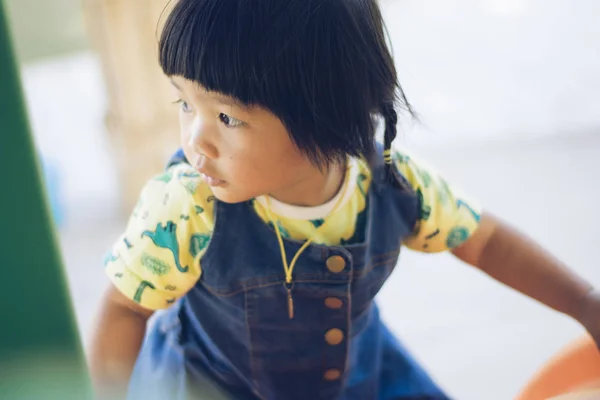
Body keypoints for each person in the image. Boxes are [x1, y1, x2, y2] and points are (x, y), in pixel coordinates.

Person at [89, 0, 600, 398]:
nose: (194, 140)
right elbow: (124, 310)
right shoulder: (184, 205)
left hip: (356, 379)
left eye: (226, 117)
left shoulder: (395, 184)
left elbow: (484, 240)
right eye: (184, 102)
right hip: (214, 388)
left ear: (325, 115)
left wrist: (584, 303)